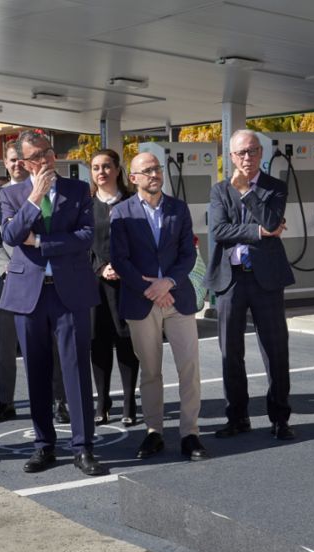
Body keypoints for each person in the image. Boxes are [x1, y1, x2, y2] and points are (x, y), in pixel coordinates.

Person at [0, 130, 105, 476]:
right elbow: (12, 237)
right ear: (23, 162)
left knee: (75, 372)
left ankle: (83, 447)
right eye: (34, 157)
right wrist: (34, 197)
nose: (43, 161)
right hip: (29, 295)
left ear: (54, 154)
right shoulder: (11, 194)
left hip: (69, 292)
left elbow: (86, 237)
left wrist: (42, 241)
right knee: (37, 373)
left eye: (46, 153)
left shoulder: (77, 190)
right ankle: (44, 446)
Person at [110, 152, 207, 461]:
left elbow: (187, 254)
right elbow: (120, 260)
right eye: (146, 170)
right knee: (150, 371)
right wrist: (150, 288)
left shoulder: (178, 208)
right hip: (142, 301)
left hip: (178, 298)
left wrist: (169, 283)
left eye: (157, 168)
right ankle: (154, 432)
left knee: (189, 367)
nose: (154, 174)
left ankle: (190, 434)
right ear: (134, 178)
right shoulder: (121, 213)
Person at [206, 130, 296, 441]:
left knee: (275, 351)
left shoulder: (275, 187)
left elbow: (272, 221)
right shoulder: (218, 191)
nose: (247, 157)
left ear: (261, 153)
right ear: (230, 157)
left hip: (266, 279)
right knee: (231, 352)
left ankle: (280, 418)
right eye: (241, 152)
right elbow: (218, 231)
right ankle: (237, 417)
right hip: (230, 280)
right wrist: (258, 232)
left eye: (253, 151)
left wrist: (246, 192)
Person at [0, 141, 65, 424]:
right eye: (12, 160)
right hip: (8, 281)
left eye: (21, 159)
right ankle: (5, 402)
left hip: (45, 278)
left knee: (52, 344)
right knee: (6, 346)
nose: (17, 164)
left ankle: (58, 400)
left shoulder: (48, 191)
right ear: (5, 164)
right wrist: (7, 270)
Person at [88, 149, 140, 427]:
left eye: (107, 166)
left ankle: (130, 402)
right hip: (94, 286)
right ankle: (102, 402)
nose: (101, 172)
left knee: (126, 341)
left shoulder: (133, 202)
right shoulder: (85, 206)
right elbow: (81, 244)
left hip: (126, 285)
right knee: (98, 343)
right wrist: (100, 267)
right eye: (96, 167)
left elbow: (142, 243)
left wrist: (121, 266)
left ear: (118, 170)